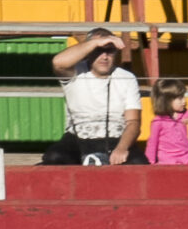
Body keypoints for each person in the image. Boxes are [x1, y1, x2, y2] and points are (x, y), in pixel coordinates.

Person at [42, 28, 143, 166]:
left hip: (116, 138)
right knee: (54, 158)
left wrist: (122, 148)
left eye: (109, 51)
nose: (105, 57)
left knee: (139, 164)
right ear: (88, 51)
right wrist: (96, 42)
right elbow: (58, 62)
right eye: (98, 50)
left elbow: (133, 122)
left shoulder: (127, 77)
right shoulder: (75, 72)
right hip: (78, 137)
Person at [144, 77, 188, 165]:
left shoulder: (185, 113)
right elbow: (152, 144)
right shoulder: (158, 121)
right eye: (180, 98)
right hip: (167, 161)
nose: (184, 101)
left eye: (184, 97)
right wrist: (150, 163)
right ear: (166, 101)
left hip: (186, 158)